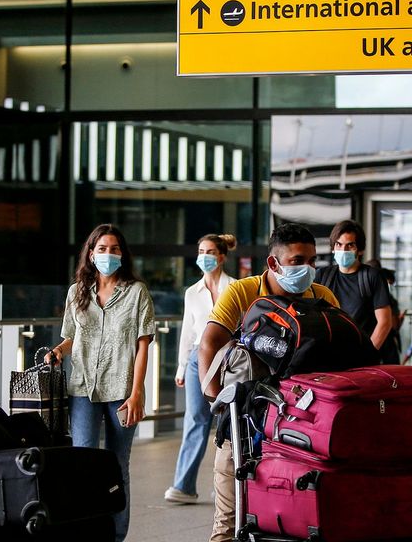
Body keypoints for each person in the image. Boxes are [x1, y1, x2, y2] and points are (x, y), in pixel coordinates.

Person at [198, 223, 340, 542]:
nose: (307, 268)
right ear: (273, 263)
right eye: (297, 260)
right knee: (230, 519)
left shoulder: (322, 296)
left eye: (312, 260)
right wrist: (217, 399)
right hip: (246, 419)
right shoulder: (243, 292)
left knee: (293, 514)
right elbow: (209, 342)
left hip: (301, 423)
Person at [46, 223, 155, 541]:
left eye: (115, 248)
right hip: (82, 389)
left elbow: (143, 345)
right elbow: (70, 337)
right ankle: (85, 530)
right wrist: (58, 350)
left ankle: (116, 535)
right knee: (82, 461)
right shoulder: (77, 291)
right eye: (102, 249)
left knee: (117, 465)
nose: (109, 254)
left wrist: (136, 394)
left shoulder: (136, 293)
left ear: (123, 254)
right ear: (91, 254)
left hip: (122, 391)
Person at [164, 233, 237, 505]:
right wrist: (181, 367)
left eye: (209, 252)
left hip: (229, 357)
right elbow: (187, 331)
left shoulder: (236, 287)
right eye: (201, 251)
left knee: (227, 418)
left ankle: (225, 483)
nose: (204, 257)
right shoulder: (191, 293)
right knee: (195, 419)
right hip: (197, 357)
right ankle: (183, 486)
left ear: (221, 256)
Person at [314, 220, 393, 360]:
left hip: (361, 357)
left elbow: (385, 322)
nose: (343, 250)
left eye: (350, 245)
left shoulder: (372, 277)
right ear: (333, 248)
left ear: (360, 250)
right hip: (328, 357)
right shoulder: (322, 276)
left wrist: (367, 354)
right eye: (339, 244)